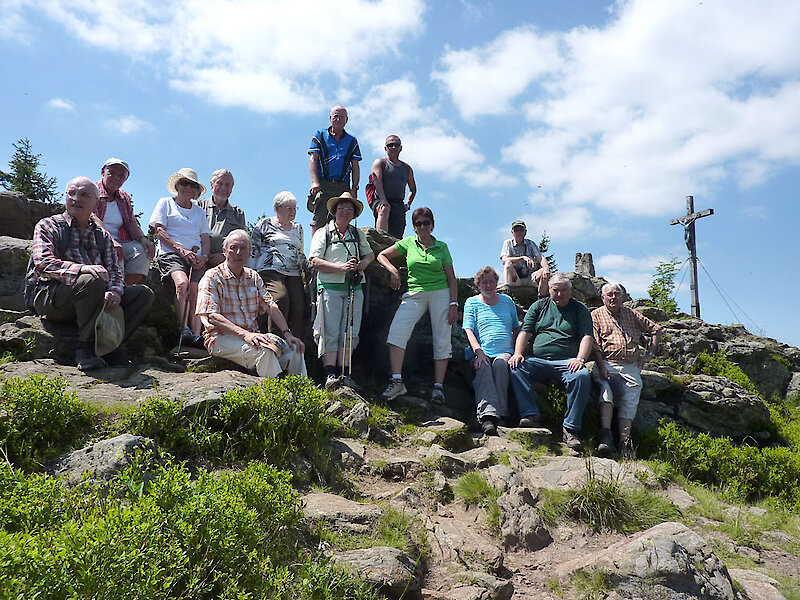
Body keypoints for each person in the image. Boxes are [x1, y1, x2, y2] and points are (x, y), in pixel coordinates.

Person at [25, 177, 154, 370]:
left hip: (94, 297)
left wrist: (116, 292)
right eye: (72, 193)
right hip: (52, 297)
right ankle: (84, 348)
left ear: (96, 202)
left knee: (142, 294)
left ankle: (110, 346)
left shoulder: (102, 236)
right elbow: (43, 263)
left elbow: (115, 271)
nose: (76, 198)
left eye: (84, 195)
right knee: (91, 279)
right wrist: (83, 269)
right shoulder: (48, 225)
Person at [196, 229, 306, 378]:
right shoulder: (212, 277)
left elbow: (270, 305)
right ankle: (272, 397)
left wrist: (288, 334)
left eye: (243, 248)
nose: (238, 252)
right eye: (233, 248)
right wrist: (245, 335)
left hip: (252, 336)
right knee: (265, 352)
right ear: (224, 251)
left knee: (295, 349)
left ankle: (301, 395)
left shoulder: (253, 276)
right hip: (220, 338)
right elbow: (212, 317)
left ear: (249, 253)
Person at [378, 207, 458, 404]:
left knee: (442, 338)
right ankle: (397, 381)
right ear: (414, 226)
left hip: (440, 292)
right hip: (415, 292)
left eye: (426, 222)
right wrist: (393, 271)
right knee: (397, 331)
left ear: (432, 225)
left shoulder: (442, 247)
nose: (422, 226)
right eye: (418, 223)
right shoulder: (408, 244)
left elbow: (452, 278)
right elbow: (382, 255)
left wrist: (454, 303)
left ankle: (438, 388)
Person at [508, 273, 593, 449]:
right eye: (555, 290)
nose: (560, 294)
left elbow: (587, 336)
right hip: (538, 360)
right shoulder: (539, 306)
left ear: (570, 291)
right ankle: (530, 415)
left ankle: (571, 429)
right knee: (516, 367)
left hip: (567, 362)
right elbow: (525, 332)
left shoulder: (580, 309)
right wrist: (517, 353)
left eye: (564, 290)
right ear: (550, 290)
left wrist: (580, 359)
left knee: (582, 376)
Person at [309, 192, 374, 388]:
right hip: (329, 288)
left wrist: (361, 265)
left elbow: (370, 255)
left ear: (354, 214)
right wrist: (341, 268)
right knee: (330, 331)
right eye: (342, 208)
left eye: (349, 209)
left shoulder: (357, 234)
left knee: (350, 331)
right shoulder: (323, 233)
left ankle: (345, 374)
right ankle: (330, 374)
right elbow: (314, 260)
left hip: (354, 288)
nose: (345, 212)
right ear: (334, 211)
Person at [592, 282, 661, 457]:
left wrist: (649, 355)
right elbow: (595, 345)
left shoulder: (631, 314)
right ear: (603, 298)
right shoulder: (596, 315)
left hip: (631, 366)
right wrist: (601, 367)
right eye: (609, 295)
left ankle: (625, 442)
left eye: (616, 294)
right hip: (607, 363)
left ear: (622, 296)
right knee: (606, 391)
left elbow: (656, 329)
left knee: (631, 396)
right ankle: (605, 436)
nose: (613, 297)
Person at [149, 168, 211, 346]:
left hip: (196, 258)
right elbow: (159, 231)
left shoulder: (199, 212)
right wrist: (180, 249)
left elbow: (205, 238)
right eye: (184, 183)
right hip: (171, 254)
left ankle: (197, 334)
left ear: (196, 190)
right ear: (177, 185)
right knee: (183, 284)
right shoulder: (165, 203)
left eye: (192, 185)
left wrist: (204, 257)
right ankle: (184, 329)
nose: (187, 187)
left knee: (197, 288)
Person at [463, 267, 520, 436]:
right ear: (478, 285)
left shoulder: (507, 301)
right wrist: (478, 352)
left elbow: (516, 328)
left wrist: (518, 352)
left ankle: (501, 414)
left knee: (501, 365)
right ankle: (487, 416)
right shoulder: (472, 302)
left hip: (505, 351)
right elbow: (468, 330)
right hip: (482, 350)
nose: (488, 285)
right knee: (484, 367)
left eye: (491, 281)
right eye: (484, 282)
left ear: (497, 282)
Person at [93, 157, 155, 285]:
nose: (116, 178)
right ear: (102, 171)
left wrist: (143, 239)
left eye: (121, 176)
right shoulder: (92, 190)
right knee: (116, 254)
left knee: (142, 252)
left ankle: (126, 291)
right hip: (96, 239)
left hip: (122, 240)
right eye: (112, 173)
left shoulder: (123, 197)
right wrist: (110, 240)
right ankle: (113, 292)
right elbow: (92, 217)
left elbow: (131, 222)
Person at [251, 191, 307, 336]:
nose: (292, 212)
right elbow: (253, 249)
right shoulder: (264, 224)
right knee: (281, 298)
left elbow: (300, 253)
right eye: (288, 208)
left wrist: (310, 268)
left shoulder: (298, 228)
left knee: (299, 305)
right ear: (277, 208)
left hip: (293, 271)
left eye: (294, 208)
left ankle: (295, 346)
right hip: (270, 269)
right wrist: (250, 274)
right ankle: (276, 340)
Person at [308, 105, 362, 235]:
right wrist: (315, 182)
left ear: (346, 120)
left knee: (342, 220)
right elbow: (313, 159)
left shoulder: (352, 140)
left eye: (341, 117)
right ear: (330, 118)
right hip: (323, 183)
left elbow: (355, 165)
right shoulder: (320, 135)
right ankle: (314, 253)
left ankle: (339, 251)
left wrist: (354, 188)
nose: (338, 119)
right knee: (319, 220)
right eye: (335, 116)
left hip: (343, 185)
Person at [369, 135, 416, 239]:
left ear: (401, 148)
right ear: (385, 148)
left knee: (397, 234)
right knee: (384, 210)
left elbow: (413, 189)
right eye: (390, 145)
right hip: (380, 199)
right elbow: (378, 182)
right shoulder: (380, 162)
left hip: (398, 203)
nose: (393, 147)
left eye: (396, 145)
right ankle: (380, 239)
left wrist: (407, 204)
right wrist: (383, 201)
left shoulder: (407, 168)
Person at [198, 169, 246, 267]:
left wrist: (225, 256)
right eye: (219, 183)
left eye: (227, 185)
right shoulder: (198, 206)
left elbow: (243, 242)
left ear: (232, 188)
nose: (223, 188)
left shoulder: (238, 213)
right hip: (198, 260)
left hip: (226, 264)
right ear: (211, 185)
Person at [500, 220, 550, 297]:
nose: (519, 232)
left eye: (521, 230)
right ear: (512, 232)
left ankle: (541, 298)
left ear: (525, 232)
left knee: (544, 271)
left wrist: (546, 268)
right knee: (508, 264)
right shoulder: (508, 243)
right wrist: (522, 258)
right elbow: (504, 259)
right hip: (515, 278)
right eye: (516, 230)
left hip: (530, 277)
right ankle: (507, 291)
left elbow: (540, 257)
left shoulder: (531, 243)